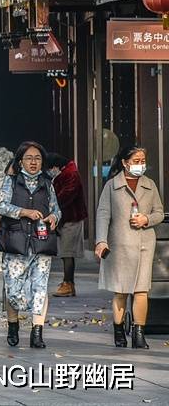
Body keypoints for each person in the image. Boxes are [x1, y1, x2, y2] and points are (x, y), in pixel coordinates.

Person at [94, 143, 164, 349]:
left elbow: (159, 212)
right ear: (125, 163)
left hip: (144, 244)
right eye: (136, 161)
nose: (140, 165)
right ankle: (118, 331)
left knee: (142, 290)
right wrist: (101, 240)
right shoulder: (112, 186)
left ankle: (139, 334)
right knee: (121, 291)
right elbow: (103, 214)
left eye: (142, 161)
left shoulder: (150, 185)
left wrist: (147, 219)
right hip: (119, 245)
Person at [0, 140, 59, 349]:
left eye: (38, 158)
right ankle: (13, 325)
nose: (33, 162)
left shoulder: (48, 183)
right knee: (13, 290)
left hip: (40, 243)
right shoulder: (11, 181)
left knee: (40, 288)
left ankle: (37, 332)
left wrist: (54, 217)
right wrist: (23, 212)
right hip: (16, 243)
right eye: (29, 158)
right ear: (21, 160)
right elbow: (1, 206)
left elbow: (56, 209)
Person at [47, 153, 87, 297]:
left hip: (71, 219)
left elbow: (66, 196)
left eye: (50, 168)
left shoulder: (71, 174)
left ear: (56, 166)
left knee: (67, 252)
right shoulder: (66, 173)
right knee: (66, 253)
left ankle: (67, 283)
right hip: (66, 219)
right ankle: (68, 283)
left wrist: (52, 206)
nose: (50, 171)